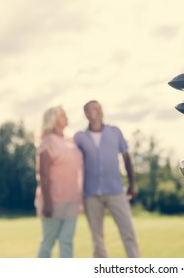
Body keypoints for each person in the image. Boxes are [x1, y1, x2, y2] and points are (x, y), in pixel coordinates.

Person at [74, 100, 140, 258]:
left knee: (128, 232)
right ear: (87, 114)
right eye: (95, 109)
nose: (99, 111)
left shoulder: (115, 131)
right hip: (90, 193)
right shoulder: (79, 137)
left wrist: (132, 183)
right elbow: (72, 164)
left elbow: (126, 158)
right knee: (97, 239)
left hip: (116, 190)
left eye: (100, 108)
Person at [34, 105, 83, 258]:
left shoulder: (71, 141)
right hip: (54, 201)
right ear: (53, 119)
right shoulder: (48, 141)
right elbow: (43, 173)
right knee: (48, 243)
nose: (66, 116)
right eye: (62, 115)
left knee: (67, 241)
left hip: (73, 201)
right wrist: (47, 202)